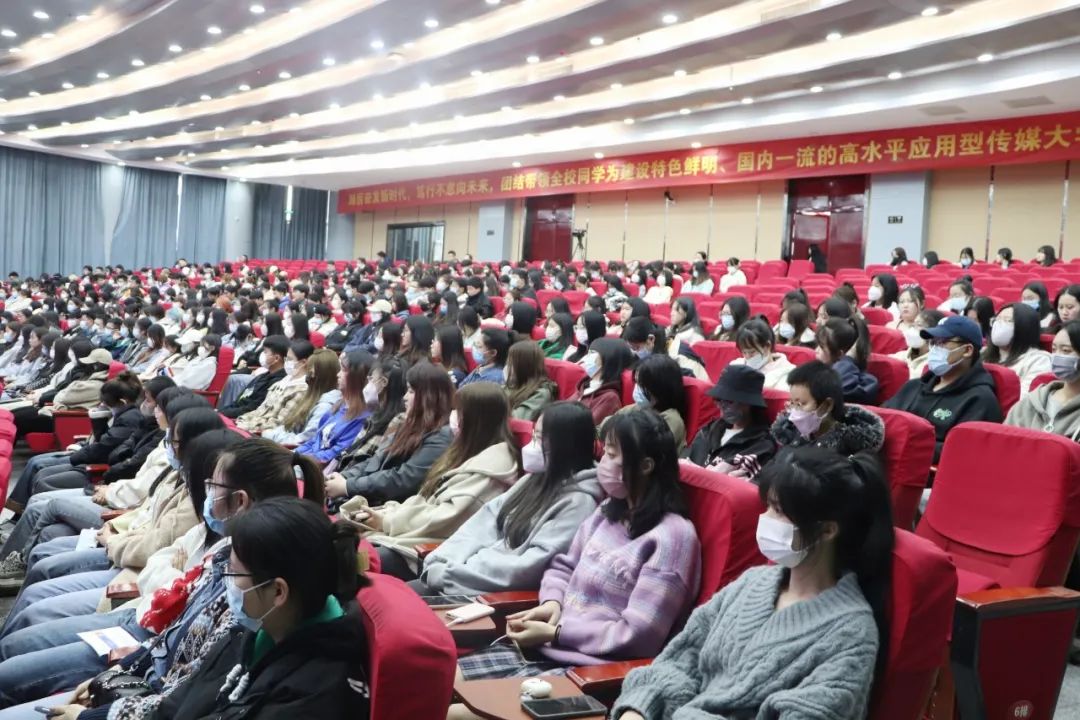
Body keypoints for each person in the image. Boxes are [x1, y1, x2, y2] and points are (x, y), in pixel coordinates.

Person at [611, 446, 892, 720]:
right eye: (767, 506)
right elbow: (682, 657)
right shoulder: (753, 582)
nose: (765, 518)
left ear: (827, 530)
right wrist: (640, 707)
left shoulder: (851, 634)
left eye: (779, 511)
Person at [448, 410, 700, 698]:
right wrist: (552, 603)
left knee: (456, 713)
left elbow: (640, 635)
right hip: (545, 645)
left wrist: (558, 633)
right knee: (439, 683)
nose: (602, 464)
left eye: (612, 455)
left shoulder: (672, 539)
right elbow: (563, 567)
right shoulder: (608, 513)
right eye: (604, 453)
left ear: (645, 466)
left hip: (591, 669)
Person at [416, 401, 602, 597]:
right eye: (534, 435)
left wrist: (451, 574)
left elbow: (528, 567)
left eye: (540, 438)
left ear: (565, 446)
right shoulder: (534, 479)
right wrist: (443, 559)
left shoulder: (579, 503)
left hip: (485, 593)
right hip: (459, 574)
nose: (531, 445)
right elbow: (484, 521)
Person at [361, 382, 521, 580]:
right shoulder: (463, 450)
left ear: (476, 419)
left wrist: (387, 521)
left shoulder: (493, 468)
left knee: (355, 560)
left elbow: (445, 518)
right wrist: (386, 513)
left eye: (459, 411)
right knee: (344, 540)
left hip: (429, 550)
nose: (453, 416)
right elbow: (426, 497)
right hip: (410, 533)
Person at [327, 361, 453, 504]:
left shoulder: (441, 436)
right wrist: (344, 477)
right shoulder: (408, 423)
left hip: (395, 507)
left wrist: (348, 486)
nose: (405, 397)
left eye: (411, 392)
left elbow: (403, 479)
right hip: (375, 499)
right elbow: (376, 459)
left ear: (430, 396)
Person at [884, 316, 1002, 461]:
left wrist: (903, 443)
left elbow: (961, 451)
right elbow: (882, 421)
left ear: (967, 350)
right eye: (933, 342)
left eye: (942, 342)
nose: (934, 349)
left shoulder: (981, 400)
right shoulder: (913, 386)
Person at [772, 361, 885, 456]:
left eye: (800, 404)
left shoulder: (848, 446)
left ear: (826, 405)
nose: (794, 413)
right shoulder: (791, 433)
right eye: (792, 403)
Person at [684, 365, 777, 480]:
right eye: (718, 399)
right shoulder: (709, 430)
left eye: (729, 401)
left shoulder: (761, 445)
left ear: (749, 403)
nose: (721, 406)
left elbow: (728, 482)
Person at [294, 350, 373, 465]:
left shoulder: (362, 418)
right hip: (306, 460)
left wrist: (299, 460)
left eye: (344, 370)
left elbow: (337, 453)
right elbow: (315, 440)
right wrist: (293, 454)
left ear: (357, 377)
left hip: (316, 468)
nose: (338, 375)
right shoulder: (338, 405)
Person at [1006, 321, 1080, 438]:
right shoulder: (1032, 401)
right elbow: (1004, 440)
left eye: (1066, 350)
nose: (1056, 356)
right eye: (1054, 349)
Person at [262, 348, 341, 445]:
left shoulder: (325, 406)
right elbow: (288, 427)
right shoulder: (311, 397)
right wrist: (271, 434)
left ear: (322, 375)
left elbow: (304, 440)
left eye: (311, 372)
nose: (307, 376)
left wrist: (271, 436)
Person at [609, 354, 688, 453]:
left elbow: (642, 450)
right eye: (636, 383)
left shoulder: (672, 420)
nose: (637, 389)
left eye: (642, 385)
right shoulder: (636, 408)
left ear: (660, 388)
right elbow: (604, 427)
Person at [235, 339, 315, 433]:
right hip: (252, 424)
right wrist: (241, 420)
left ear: (303, 362)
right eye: (286, 358)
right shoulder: (284, 380)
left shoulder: (302, 390)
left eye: (290, 359)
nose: (286, 362)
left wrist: (246, 427)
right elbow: (261, 410)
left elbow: (280, 423)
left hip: (262, 433)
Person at [982, 303, 1051, 396]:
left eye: (1007, 320)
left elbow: (1025, 398)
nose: (998, 324)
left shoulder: (1038, 360)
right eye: (997, 320)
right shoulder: (983, 353)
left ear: (1025, 326)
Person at [218, 336, 290, 419]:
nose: (262, 355)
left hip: (245, 419)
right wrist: (221, 412)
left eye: (265, 352)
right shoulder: (262, 376)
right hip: (235, 413)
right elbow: (241, 400)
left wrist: (222, 413)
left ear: (276, 358)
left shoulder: (277, 383)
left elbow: (253, 408)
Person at [569, 337, 634, 426]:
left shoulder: (610, 397)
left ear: (609, 358)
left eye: (592, 353)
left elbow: (587, 427)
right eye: (588, 353)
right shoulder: (584, 385)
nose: (586, 358)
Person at [815, 318, 879, 405]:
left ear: (840, 354)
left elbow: (834, 391)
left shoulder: (867, 383)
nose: (816, 350)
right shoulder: (817, 369)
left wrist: (847, 359)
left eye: (821, 347)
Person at [729, 319, 794, 391]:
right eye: (744, 352)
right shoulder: (736, 366)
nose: (747, 357)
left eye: (752, 352)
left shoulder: (785, 373)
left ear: (767, 346)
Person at [505, 341, 557, 421]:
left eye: (510, 363)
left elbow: (518, 418)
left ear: (523, 366)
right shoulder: (513, 384)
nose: (507, 367)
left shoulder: (541, 394)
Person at [895, 309, 945, 379]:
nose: (912, 329)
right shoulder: (899, 355)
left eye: (919, 325)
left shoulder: (933, 364)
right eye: (913, 325)